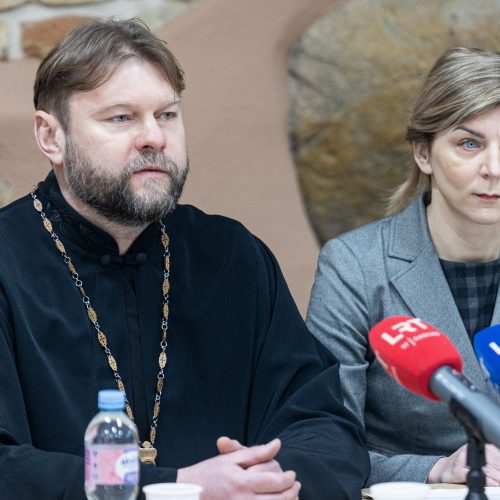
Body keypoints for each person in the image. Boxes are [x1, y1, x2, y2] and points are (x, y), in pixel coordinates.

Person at [0, 18, 369, 500]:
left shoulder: (233, 257)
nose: (153, 137)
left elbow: (326, 427)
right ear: (51, 137)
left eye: (167, 115)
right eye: (121, 118)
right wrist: (180, 486)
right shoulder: (8, 260)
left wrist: (267, 481)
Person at [306, 46, 500, 487]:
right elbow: (323, 442)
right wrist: (435, 470)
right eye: (469, 143)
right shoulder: (355, 266)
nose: (494, 168)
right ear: (424, 153)